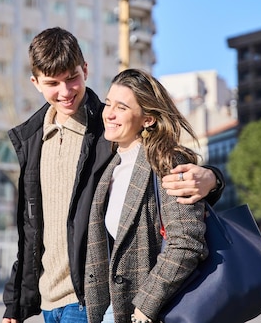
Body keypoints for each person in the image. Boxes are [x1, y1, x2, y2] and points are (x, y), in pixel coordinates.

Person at [2, 27, 225, 323]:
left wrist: (211, 178)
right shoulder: (32, 138)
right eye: (53, 83)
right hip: (48, 301)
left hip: (90, 301)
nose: (66, 91)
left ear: (85, 70)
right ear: (36, 83)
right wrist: (16, 303)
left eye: (72, 78)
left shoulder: (107, 131)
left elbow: (167, 163)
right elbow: (32, 229)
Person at [84, 68, 218, 323]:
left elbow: (186, 242)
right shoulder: (112, 165)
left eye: (122, 108)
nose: (109, 113)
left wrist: (146, 305)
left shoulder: (166, 162)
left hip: (148, 311)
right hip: (112, 308)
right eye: (109, 103)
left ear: (147, 119)